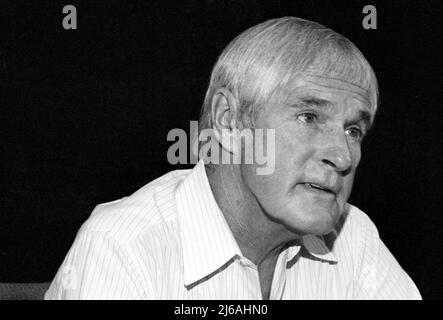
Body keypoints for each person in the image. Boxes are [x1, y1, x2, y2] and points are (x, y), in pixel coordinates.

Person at [45, 17, 421, 300]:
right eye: (309, 117)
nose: (343, 156)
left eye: (353, 130)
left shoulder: (354, 238)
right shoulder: (125, 248)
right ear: (229, 121)